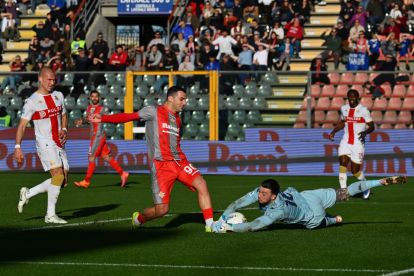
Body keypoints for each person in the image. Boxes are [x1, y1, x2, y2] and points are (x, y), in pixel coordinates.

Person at [91, 86, 215, 232]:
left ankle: (211, 226)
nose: (184, 102)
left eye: (185, 99)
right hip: (161, 166)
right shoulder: (153, 111)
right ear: (171, 98)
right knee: (162, 210)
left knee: (202, 184)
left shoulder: (178, 120)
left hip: (179, 162)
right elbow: (128, 117)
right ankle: (139, 219)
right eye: (181, 99)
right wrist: (104, 118)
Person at [212, 176, 407, 233]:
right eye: (260, 191)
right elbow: (239, 202)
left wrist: (229, 226)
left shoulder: (277, 211)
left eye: (264, 193)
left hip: (313, 213)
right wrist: (223, 216)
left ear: (273, 196)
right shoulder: (265, 190)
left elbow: (254, 226)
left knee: (319, 222)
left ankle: (334, 220)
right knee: (345, 192)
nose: (259, 195)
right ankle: (378, 182)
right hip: (310, 196)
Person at [14, 67, 69, 224]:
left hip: (59, 143)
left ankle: (28, 193)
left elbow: (64, 115)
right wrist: (17, 147)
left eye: (54, 80)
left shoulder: (58, 96)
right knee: (57, 176)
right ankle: (50, 215)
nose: (52, 83)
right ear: (40, 79)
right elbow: (22, 126)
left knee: (63, 181)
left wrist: (64, 129)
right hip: (44, 142)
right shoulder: (32, 101)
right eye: (48, 79)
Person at [73, 90, 129, 188]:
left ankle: (86, 181)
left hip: (98, 136)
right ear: (90, 98)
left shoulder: (103, 108)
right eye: (92, 96)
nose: (94, 98)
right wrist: (81, 121)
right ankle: (123, 173)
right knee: (107, 157)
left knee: (91, 157)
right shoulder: (89, 108)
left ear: (99, 98)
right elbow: (88, 120)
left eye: (96, 96)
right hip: (95, 136)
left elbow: (108, 117)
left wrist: (101, 116)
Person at [329, 89, 375, 199]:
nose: (351, 99)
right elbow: (343, 123)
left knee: (355, 171)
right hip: (345, 141)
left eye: (354, 96)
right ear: (347, 98)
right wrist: (334, 131)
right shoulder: (344, 109)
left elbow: (372, 126)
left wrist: (365, 132)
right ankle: (344, 191)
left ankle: (365, 185)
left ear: (358, 98)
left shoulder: (364, 110)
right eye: (350, 97)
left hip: (358, 143)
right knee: (343, 163)